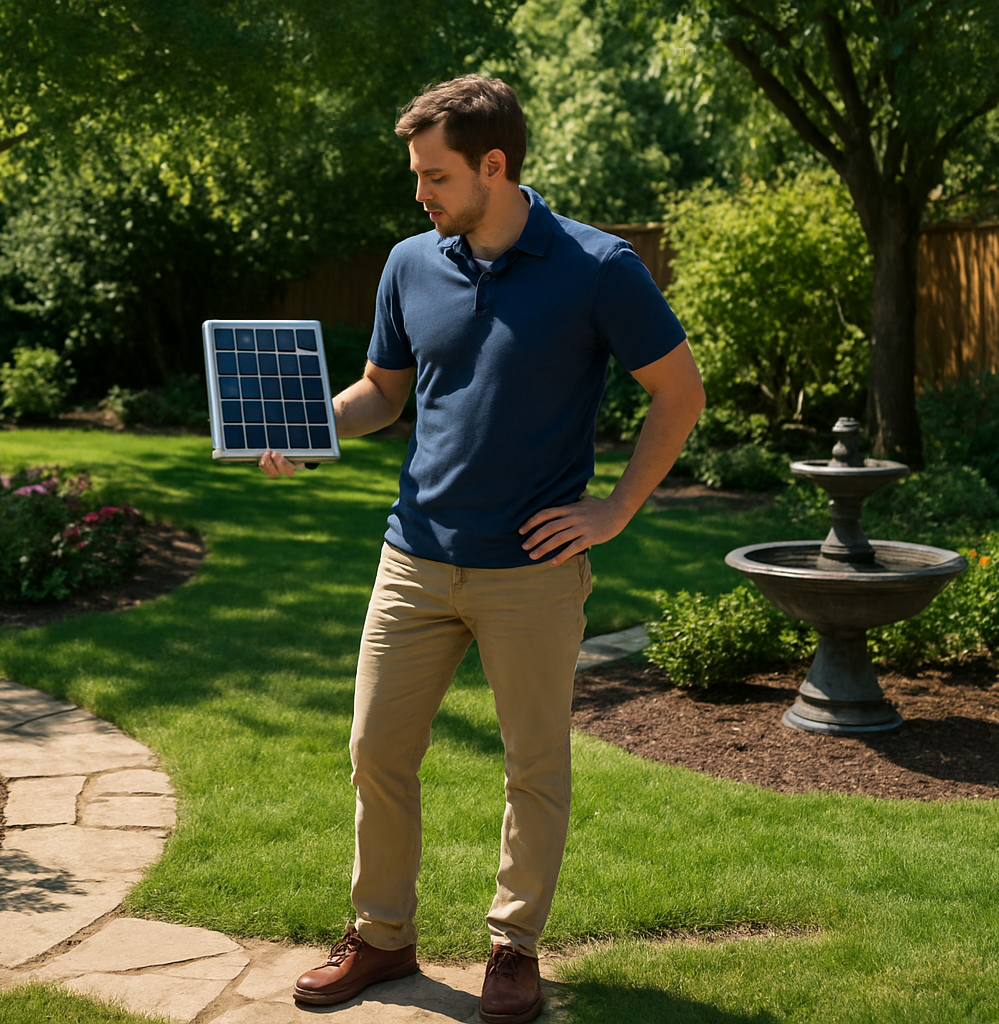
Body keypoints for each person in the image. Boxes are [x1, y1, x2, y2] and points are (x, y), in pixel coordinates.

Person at [259, 75, 705, 1023]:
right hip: (413, 554)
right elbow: (385, 391)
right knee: (376, 749)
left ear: (493, 167)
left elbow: (680, 392)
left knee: (533, 763)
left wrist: (613, 511)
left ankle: (513, 949)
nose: (419, 193)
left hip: (533, 573)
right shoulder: (411, 262)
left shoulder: (597, 266)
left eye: (434, 176)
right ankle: (380, 939)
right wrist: (312, 426)